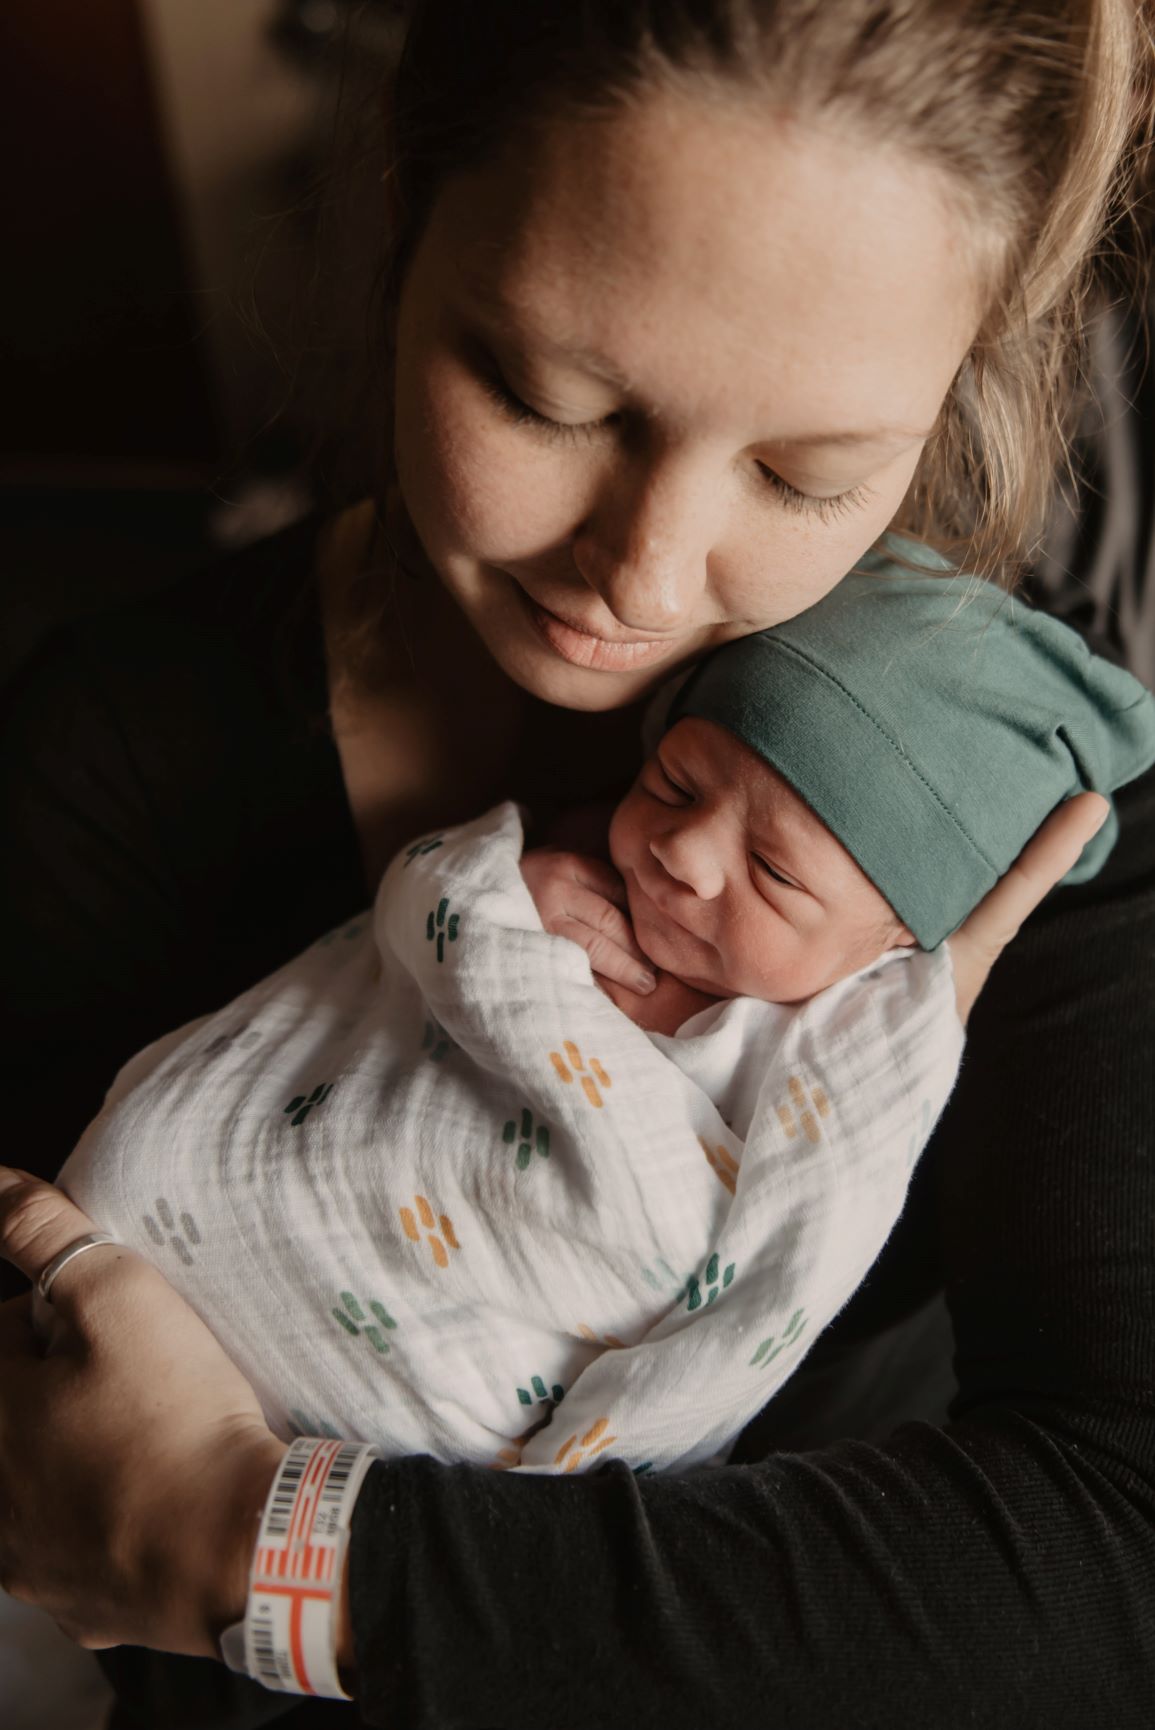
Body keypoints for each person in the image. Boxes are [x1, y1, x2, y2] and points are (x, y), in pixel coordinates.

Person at [1, 2, 1153, 1726]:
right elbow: (80, 1504)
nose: (646, 575)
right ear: (404, 212)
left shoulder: (1003, 791)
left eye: (806, 474)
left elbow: (1114, 1556)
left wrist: (273, 1550)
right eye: (548, 398)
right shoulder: (111, 755)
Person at [51, 564, 1155, 1497]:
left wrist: (560, 1498)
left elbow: (758, 1314)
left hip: (426, 1393)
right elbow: (413, 921)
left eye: (774, 872)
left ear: (888, 942)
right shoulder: (578, 856)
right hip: (224, 1204)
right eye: (673, 782)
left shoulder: (850, 1056)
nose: (684, 853)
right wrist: (497, 897)